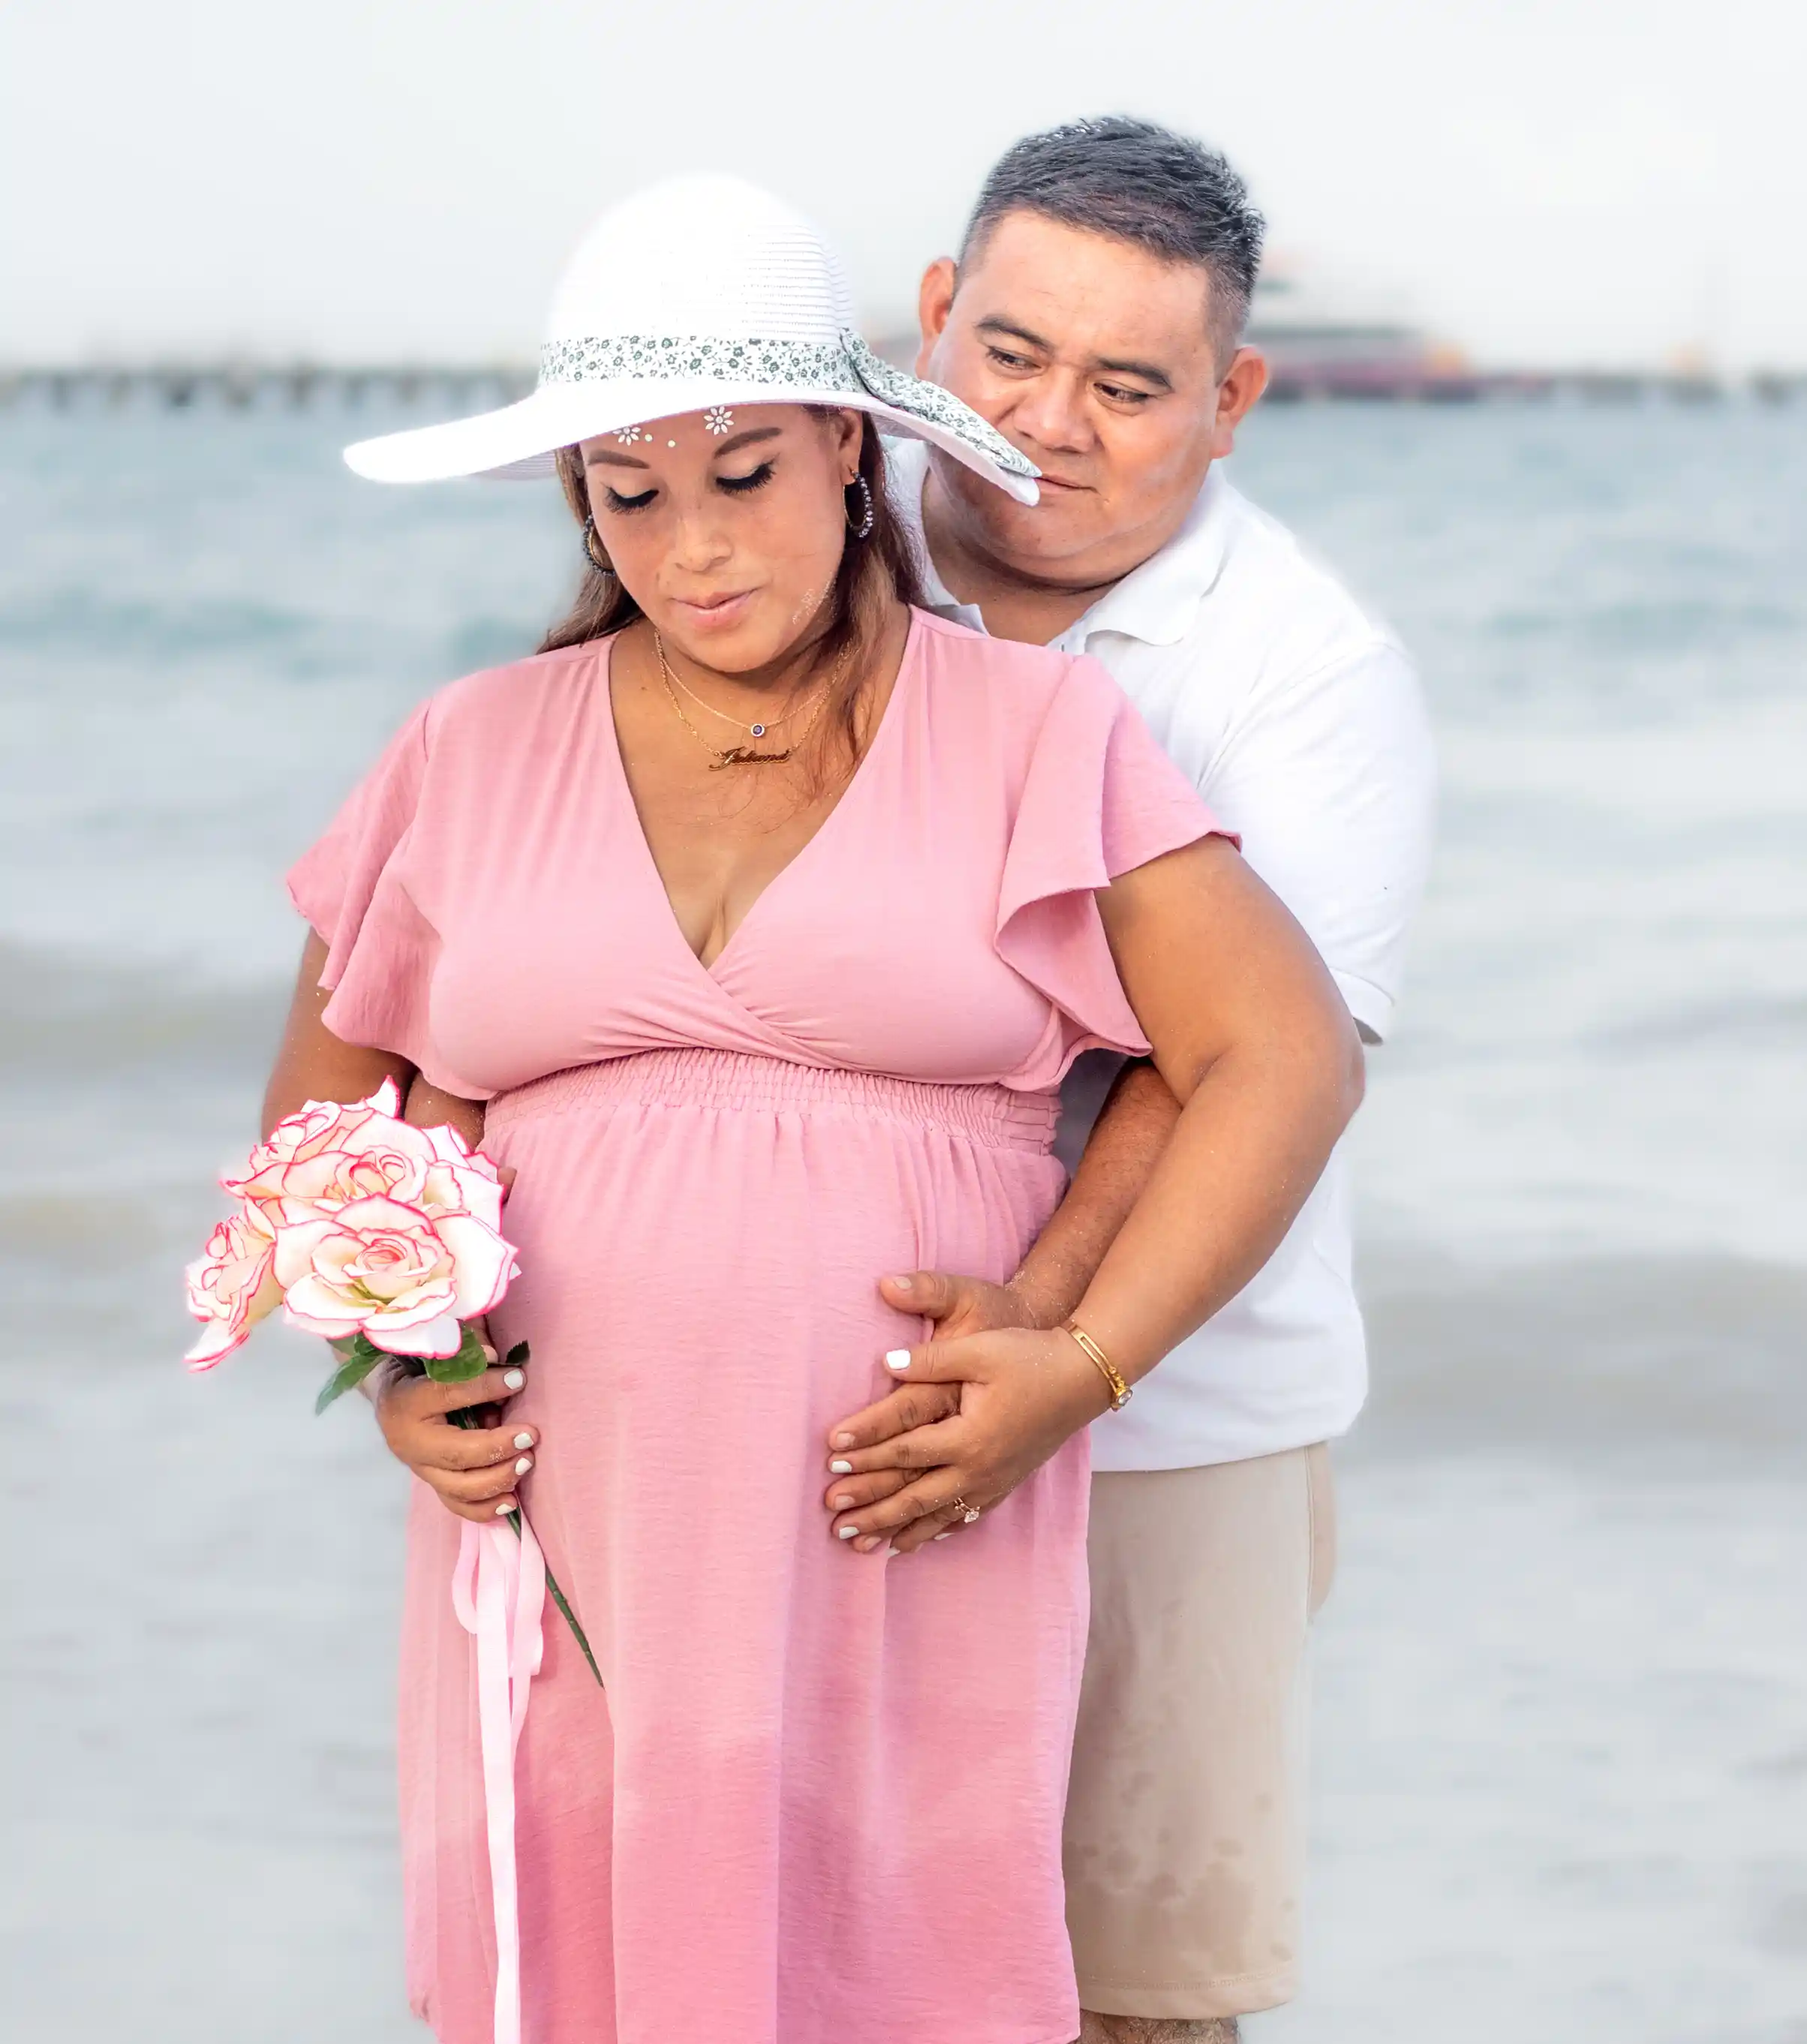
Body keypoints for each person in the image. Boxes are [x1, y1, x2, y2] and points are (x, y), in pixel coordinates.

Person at [262, 175, 1362, 2044]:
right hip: (563, 1530)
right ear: (583, 499)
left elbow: (1280, 1055)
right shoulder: (469, 747)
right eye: (633, 490)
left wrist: (1080, 1361)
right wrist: (395, 1372)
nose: (694, 545)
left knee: (902, 1977)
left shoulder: (1031, 733)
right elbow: (322, 1136)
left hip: (897, 1519)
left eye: (746, 472)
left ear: (851, 451)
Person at [823, 121, 1436, 2042]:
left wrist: (1063, 1356)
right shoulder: (802, 557)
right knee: (803, 1966)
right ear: (935, 319)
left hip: (1177, 1427)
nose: (1054, 425)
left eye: (1130, 384)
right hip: (824, 1399)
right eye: (1010, 355)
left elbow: (1255, 1066)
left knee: (1132, 2001)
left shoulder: (1304, 677)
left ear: (1232, 398)